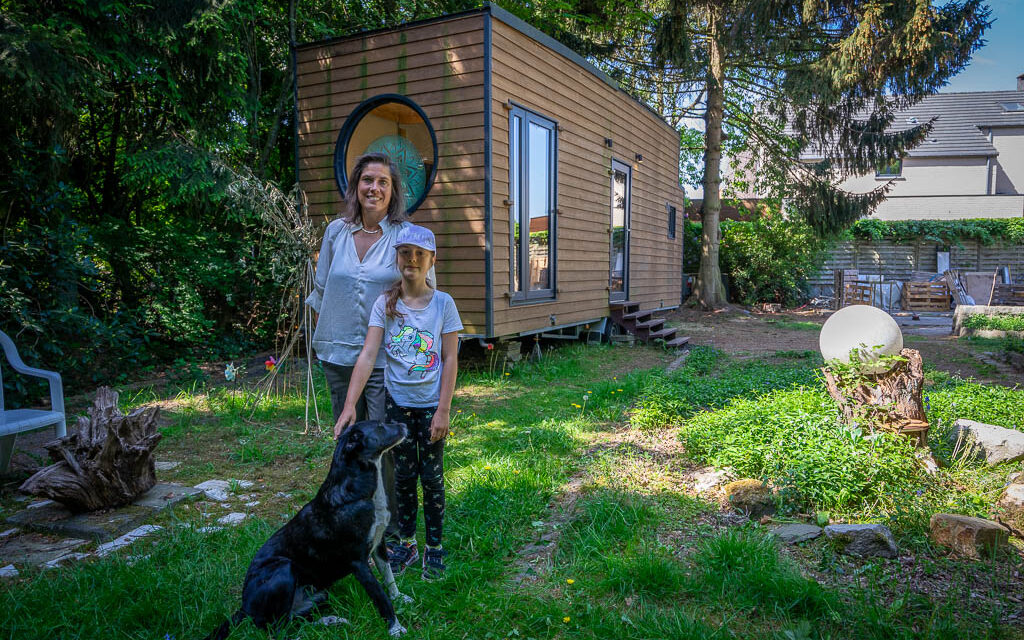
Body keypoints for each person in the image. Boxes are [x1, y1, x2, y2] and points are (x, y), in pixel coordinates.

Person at [336, 224, 461, 581]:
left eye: (420, 254)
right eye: (406, 253)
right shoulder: (385, 304)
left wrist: (444, 409)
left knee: (432, 477)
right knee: (404, 476)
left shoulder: (443, 304)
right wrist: (349, 406)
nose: (413, 260)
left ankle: (434, 547)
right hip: (398, 408)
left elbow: (451, 359)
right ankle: (406, 540)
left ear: (431, 260)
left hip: (430, 407)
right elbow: (368, 353)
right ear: (398, 257)